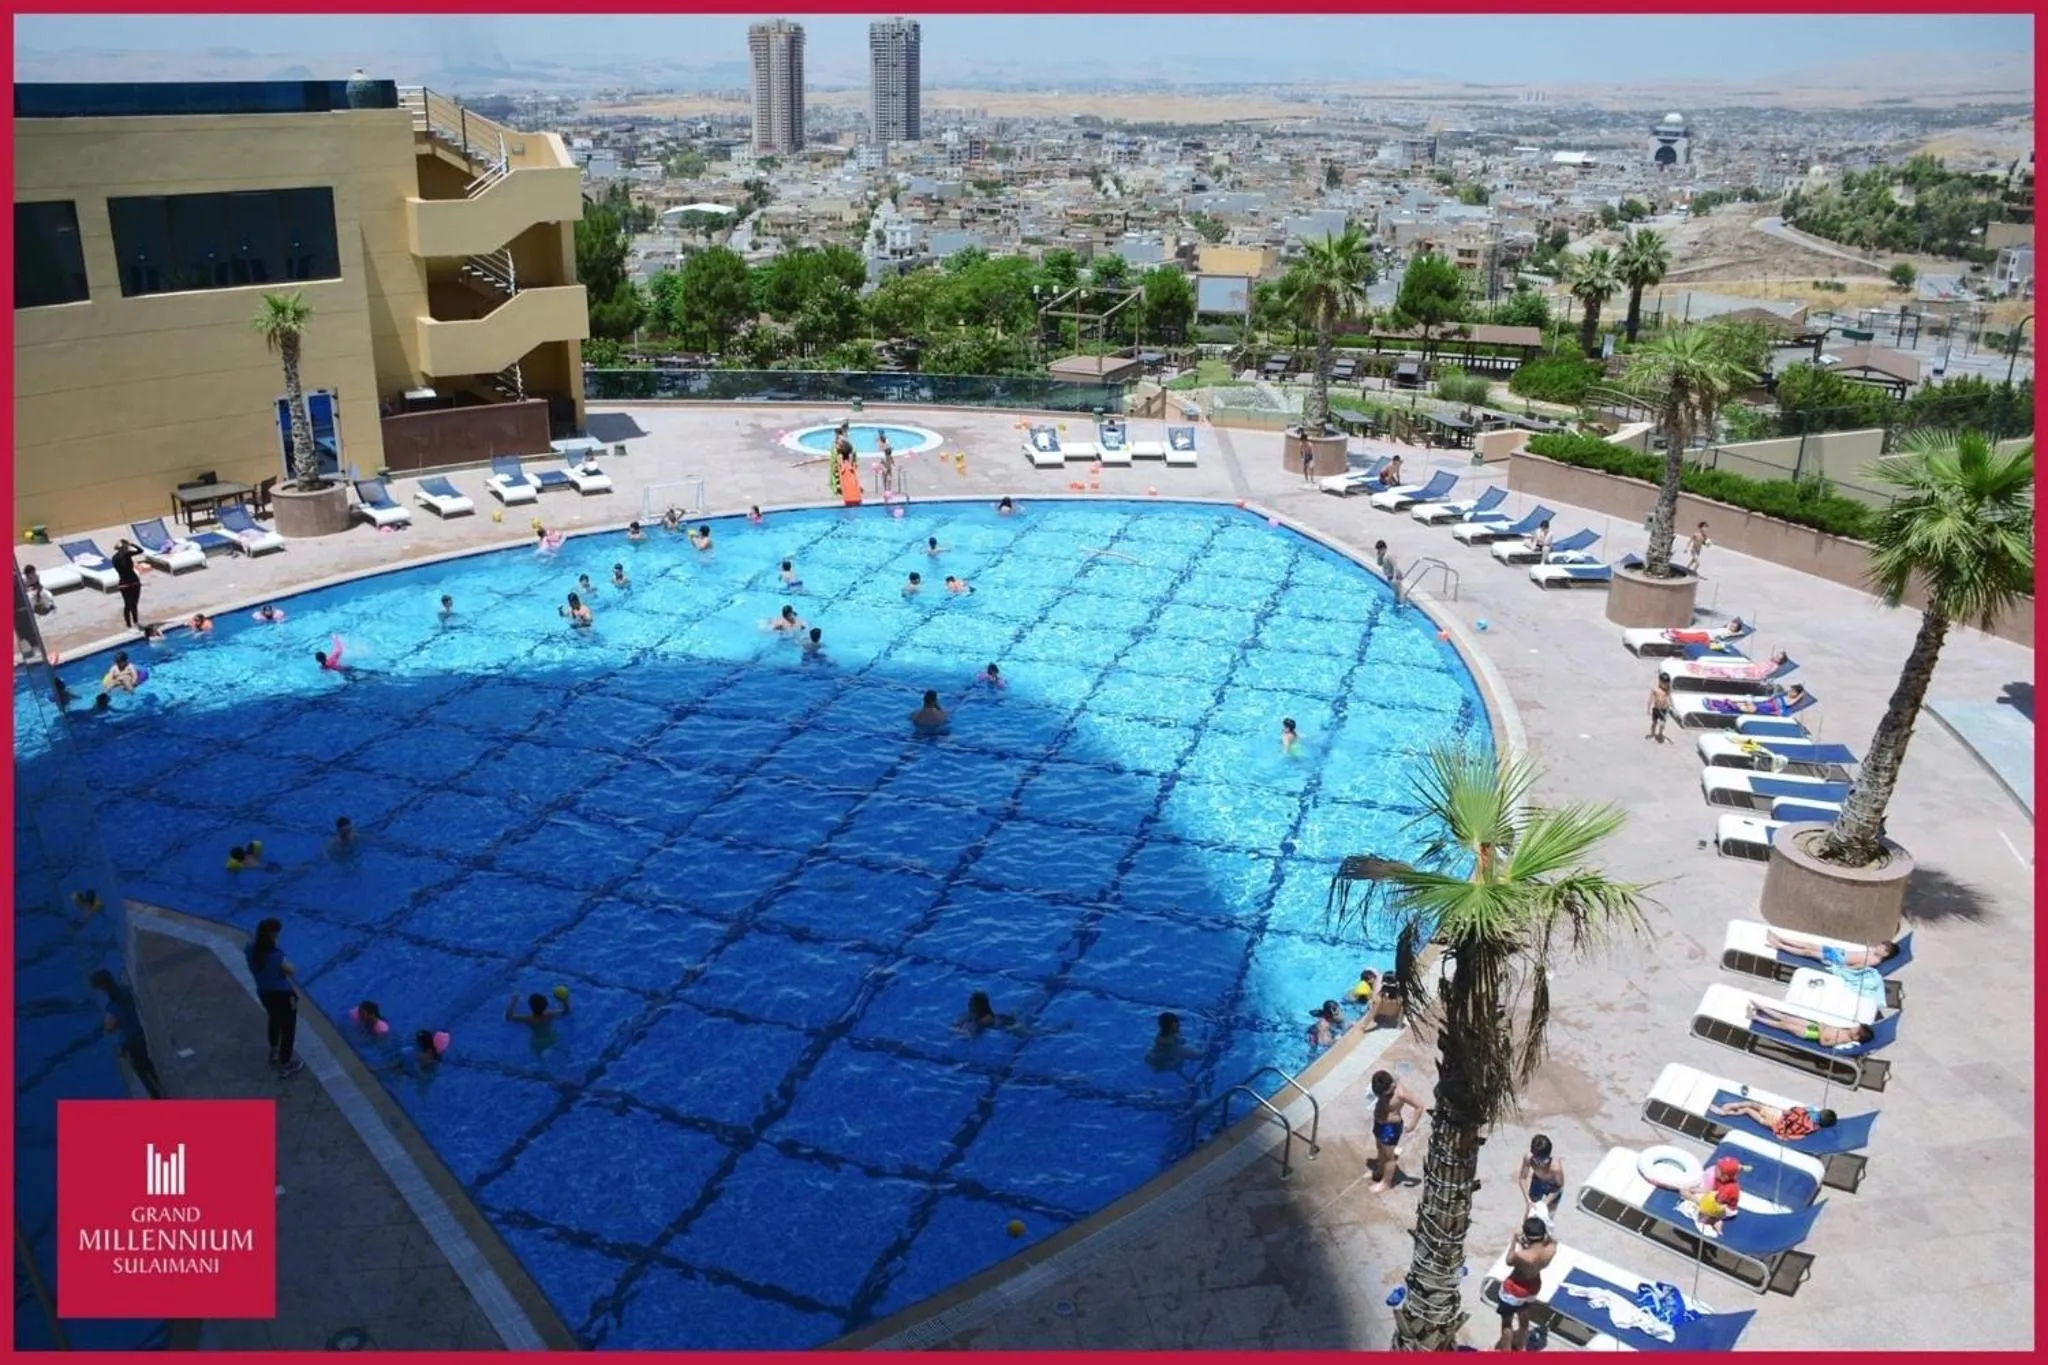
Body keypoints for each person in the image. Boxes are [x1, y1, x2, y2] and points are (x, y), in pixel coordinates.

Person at [91, 969, 166, 1098]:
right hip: (139, 1033)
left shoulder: (113, 1006)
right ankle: (162, 1088)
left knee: (142, 1073)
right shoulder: (126, 991)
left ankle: (159, 1099)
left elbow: (109, 1028)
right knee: (148, 1065)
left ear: (102, 987)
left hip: (130, 1042)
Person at [246, 918, 305, 1077]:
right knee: (288, 1029)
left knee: (274, 1020)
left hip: (264, 993)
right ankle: (286, 1063)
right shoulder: (277, 956)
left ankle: (274, 1051)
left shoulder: (250, 950)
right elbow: (292, 970)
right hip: (283, 996)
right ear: (273, 934)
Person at [1496, 1217, 1557, 1351]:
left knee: (1507, 1322)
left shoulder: (1523, 1256)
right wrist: (1528, 1243)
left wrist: (1514, 1241)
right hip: (1533, 1286)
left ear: (1526, 1236)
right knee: (1524, 1317)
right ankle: (1521, 1346)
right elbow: (1551, 1241)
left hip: (1515, 1289)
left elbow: (1509, 1260)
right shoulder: (1551, 1248)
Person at [1368, 1069, 1425, 1192]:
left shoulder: (1400, 1094)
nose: (1382, 1096)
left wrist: (1412, 1124)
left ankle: (1386, 1183)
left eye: (1385, 1094)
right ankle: (1380, 1170)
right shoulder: (1382, 1085)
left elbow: (1419, 1106)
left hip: (1390, 1129)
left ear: (1392, 1086)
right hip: (1379, 1124)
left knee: (1389, 1157)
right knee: (1380, 1148)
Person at [1746, 1001, 1874, 1050]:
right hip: (1816, 1026)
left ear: (1857, 1037)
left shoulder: (1844, 1039)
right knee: (1787, 1017)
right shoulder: (1847, 1030)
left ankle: (1755, 1017)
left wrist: (1822, 1030)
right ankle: (1761, 1007)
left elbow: (1824, 1043)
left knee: (1784, 1025)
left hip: (1813, 1034)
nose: (1854, 1027)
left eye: (1856, 1029)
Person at [1708, 1096, 1839, 1140]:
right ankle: (1727, 1112)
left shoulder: (1805, 1112)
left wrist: (1806, 1110)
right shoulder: (1812, 1128)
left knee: (1751, 1105)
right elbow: (1797, 1133)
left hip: (1776, 1115)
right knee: (1748, 1111)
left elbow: (1791, 1111)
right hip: (1771, 1124)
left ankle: (1730, 1107)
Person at [1765, 930, 1900, 971]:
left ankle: (1779, 946)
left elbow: (1857, 966)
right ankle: (1781, 939)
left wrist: (1840, 968)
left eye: (1883, 948)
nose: (1879, 946)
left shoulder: (1874, 960)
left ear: (1886, 954)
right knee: (1809, 944)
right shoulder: (1873, 951)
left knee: (1808, 952)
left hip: (1838, 959)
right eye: (1881, 945)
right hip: (1839, 952)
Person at [1518, 1135, 1565, 1221]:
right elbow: (1522, 1178)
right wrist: (1528, 1200)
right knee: (1530, 1214)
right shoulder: (1528, 1159)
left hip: (1552, 1187)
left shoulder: (1555, 1168)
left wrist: (1545, 1202)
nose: (1540, 1164)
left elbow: (1559, 1187)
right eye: (1537, 1160)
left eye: (1543, 1161)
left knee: (1547, 1218)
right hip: (1538, 1181)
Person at [1706, 683, 1807, 716]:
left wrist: (1801, 693)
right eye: (1791, 689)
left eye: (1793, 691)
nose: (1790, 691)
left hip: (1766, 710)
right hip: (1763, 705)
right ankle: (1716, 704)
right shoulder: (1784, 695)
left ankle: (1715, 707)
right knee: (1742, 704)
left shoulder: (1790, 701)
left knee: (1745, 707)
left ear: (1796, 694)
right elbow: (1771, 698)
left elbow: (1798, 698)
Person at [110, 538, 144, 630]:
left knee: (131, 604)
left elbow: (140, 551)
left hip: (129, 583)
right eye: (126, 547)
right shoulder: (122, 556)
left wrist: (130, 544)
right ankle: (132, 623)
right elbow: (140, 550)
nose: (127, 548)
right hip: (129, 582)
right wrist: (131, 544)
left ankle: (132, 623)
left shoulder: (120, 557)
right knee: (131, 604)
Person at [506, 988, 571, 1026]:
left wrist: (513, 1001)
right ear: (546, 1005)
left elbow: (508, 1016)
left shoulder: (528, 1018)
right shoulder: (550, 1015)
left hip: (536, 1041)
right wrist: (564, 1000)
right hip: (551, 1038)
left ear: (530, 1006)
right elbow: (566, 1011)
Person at [1646, 673, 1673, 743]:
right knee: (1654, 723)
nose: (1666, 685)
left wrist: (1672, 705)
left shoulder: (1668, 689)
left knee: (1662, 724)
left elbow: (1669, 697)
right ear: (1660, 682)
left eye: (1667, 684)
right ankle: (1652, 733)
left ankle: (1660, 733)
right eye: (1664, 684)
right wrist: (1648, 709)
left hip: (1664, 709)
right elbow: (1650, 699)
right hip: (1656, 709)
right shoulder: (1655, 689)